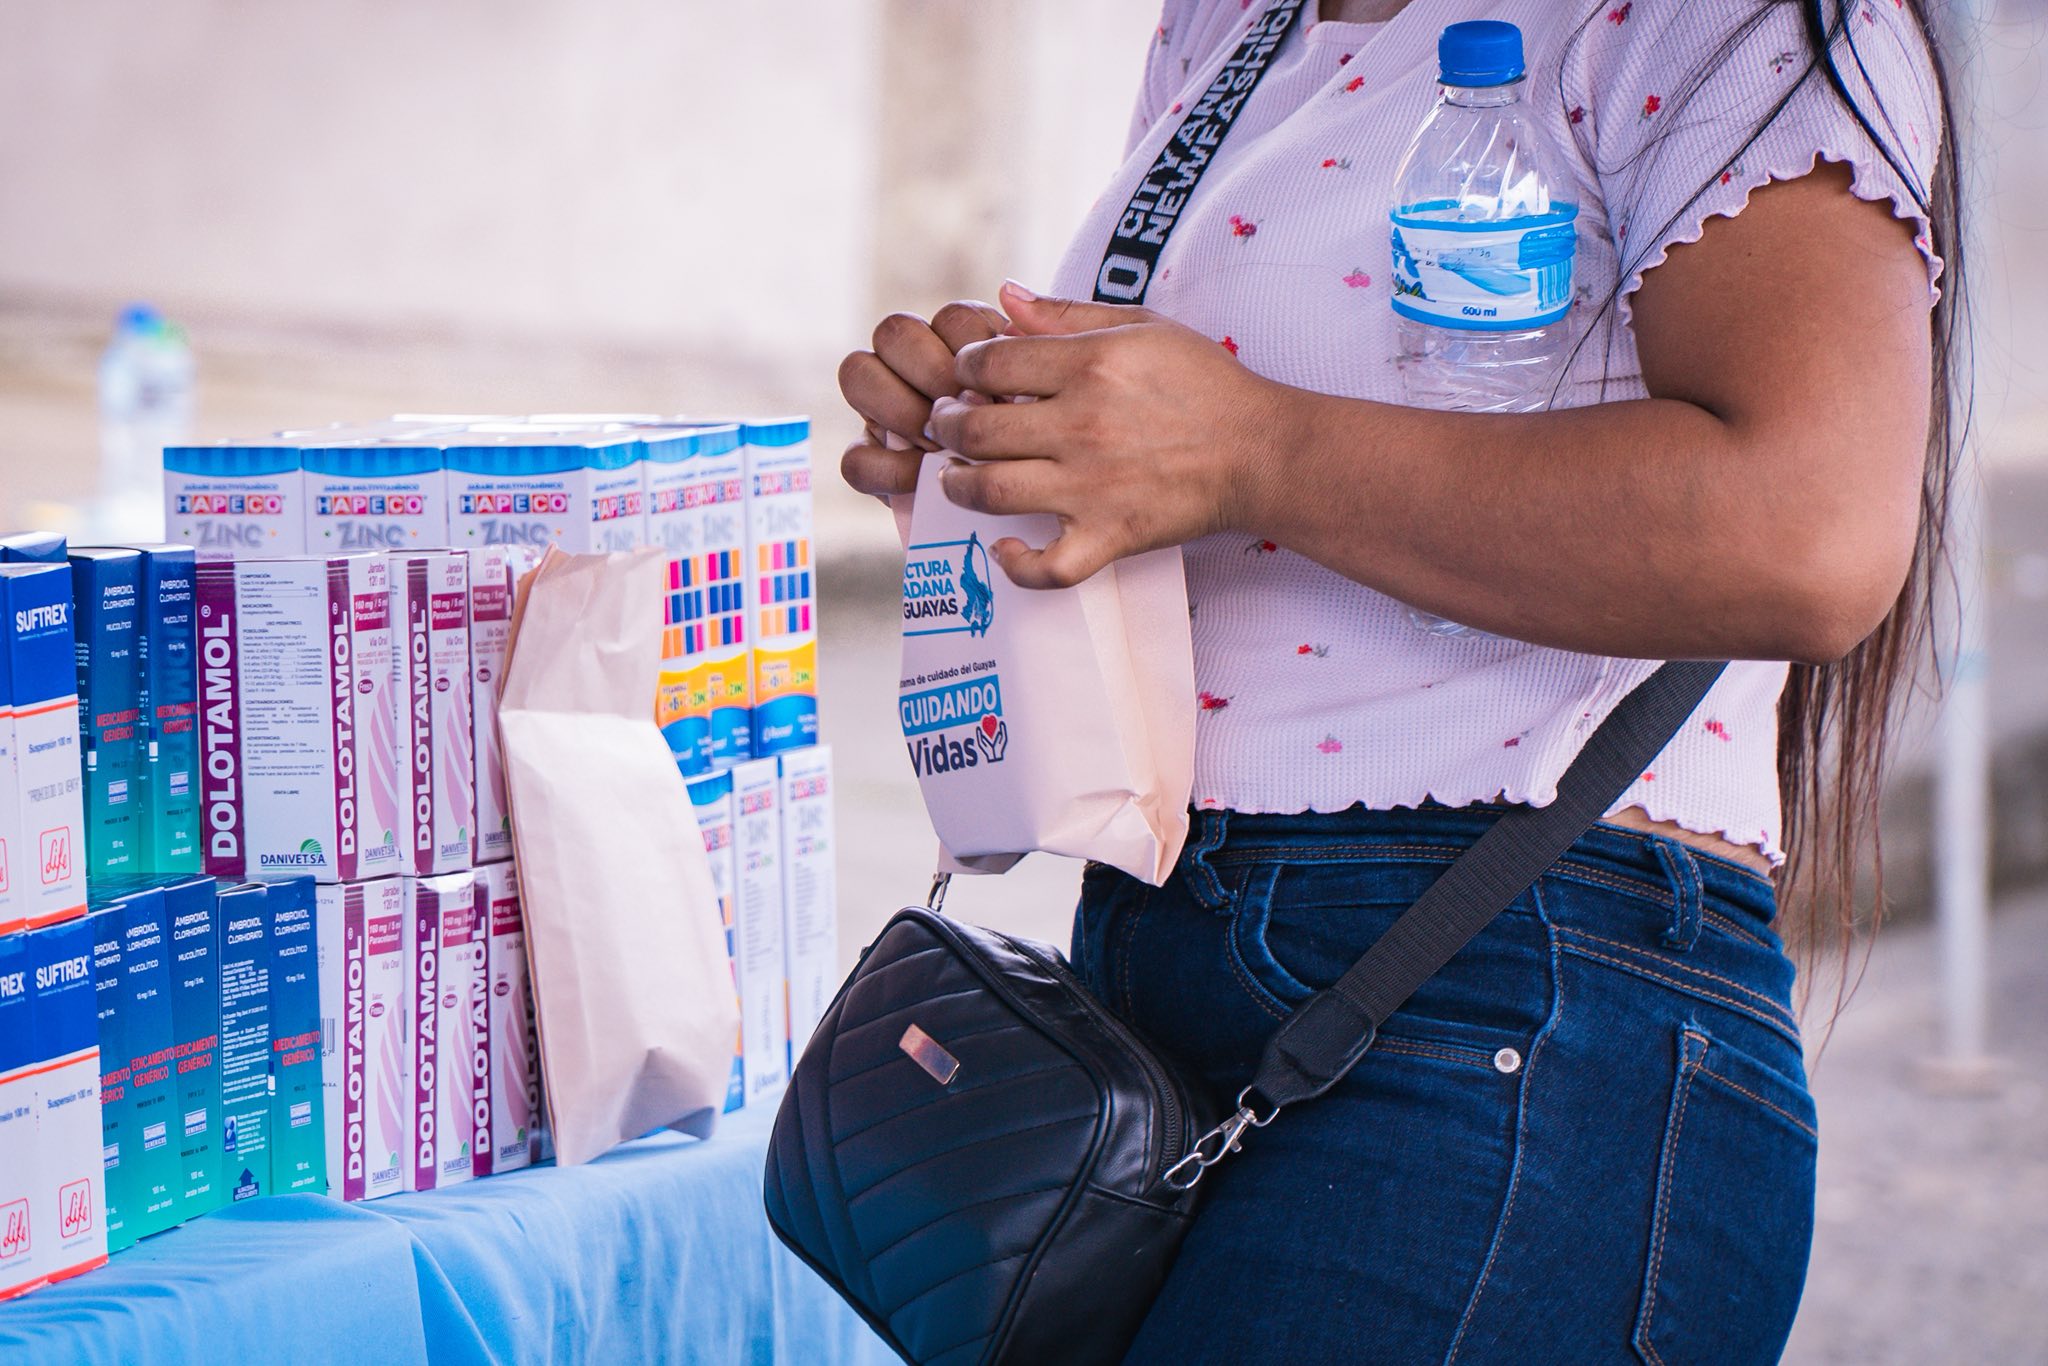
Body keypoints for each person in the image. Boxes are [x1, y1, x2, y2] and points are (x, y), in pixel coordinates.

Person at [838, 0, 1957, 1360]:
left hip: (1508, 976)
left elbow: (1810, 532)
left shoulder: (1699, 23)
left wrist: (1254, 450)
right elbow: (1216, 504)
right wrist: (1020, 460)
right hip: (1166, 958)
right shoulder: (1231, 24)